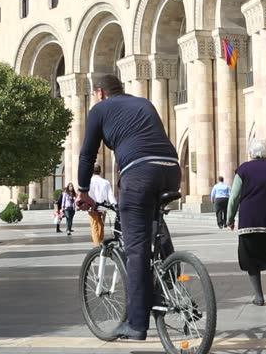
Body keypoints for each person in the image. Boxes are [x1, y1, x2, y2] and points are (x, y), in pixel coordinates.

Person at [74, 74, 180, 341]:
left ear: (100, 93)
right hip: (171, 169)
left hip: (139, 173)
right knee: (153, 225)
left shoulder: (100, 109)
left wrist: (83, 191)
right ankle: (169, 276)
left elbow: (87, 155)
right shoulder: (143, 103)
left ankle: (136, 324)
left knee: (137, 250)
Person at [227, 138, 266, 307]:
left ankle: (259, 297)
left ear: (250, 153)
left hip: (249, 222)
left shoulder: (243, 170)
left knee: (250, 257)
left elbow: (234, 197)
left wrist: (229, 219)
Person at [88, 164, 117, 246]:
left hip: (92, 206)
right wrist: (114, 204)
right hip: (103, 206)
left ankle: (97, 245)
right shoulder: (105, 182)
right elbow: (110, 195)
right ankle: (100, 241)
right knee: (101, 224)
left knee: (94, 225)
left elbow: (89, 194)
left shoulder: (89, 181)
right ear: (100, 171)